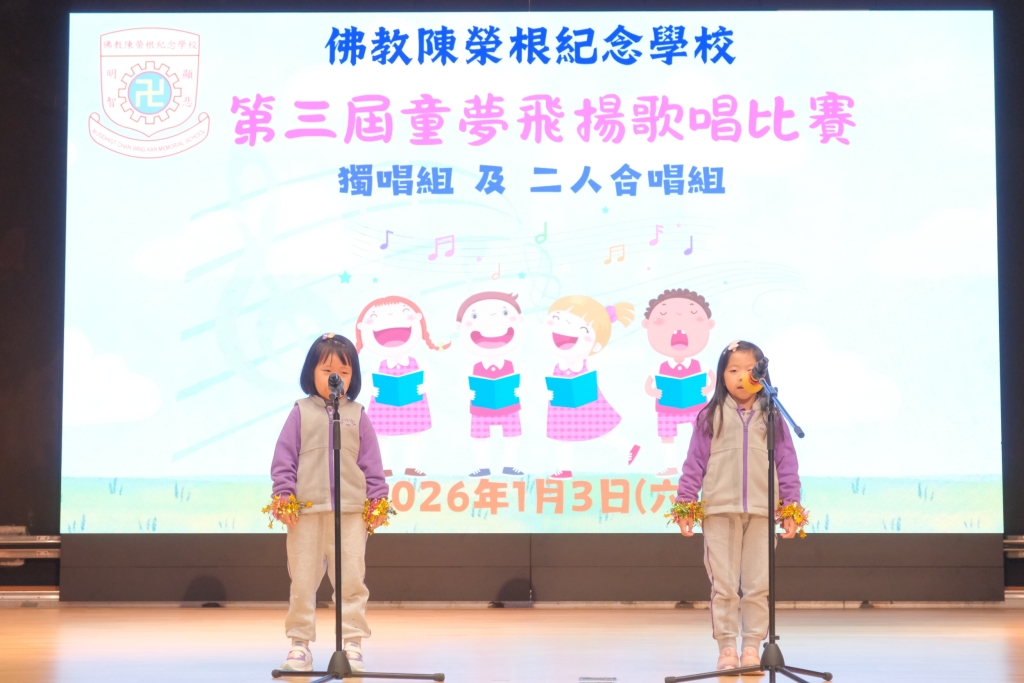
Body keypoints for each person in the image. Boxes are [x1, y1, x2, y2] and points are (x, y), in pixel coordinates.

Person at [673, 340, 803, 672]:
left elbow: (787, 464)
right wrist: (686, 502)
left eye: (749, 370)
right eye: (733, 370)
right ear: (721, 375)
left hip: (762, 512)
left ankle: (752, 647)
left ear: (762, 376)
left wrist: (791, 506)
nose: (742, 377)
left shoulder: (773, 416)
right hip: (719, 510)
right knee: (725, 586)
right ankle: (727, 647)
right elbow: (694, 463)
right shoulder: (710, 415)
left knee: (758, 586)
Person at [270, 333, 389, 673]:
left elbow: (372, 464)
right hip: (307, 514)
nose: (335, 377)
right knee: (303, 582)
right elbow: (284, 458)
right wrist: (283, 493)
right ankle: (300, 645)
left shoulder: (357, 414)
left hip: (350, 513)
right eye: (327, 370)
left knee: (351, 581)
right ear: (312, 372)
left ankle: (352, 644)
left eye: (344, 372)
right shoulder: (300, 412)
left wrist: (378, 499)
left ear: (353, 377)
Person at [544, 294, 641, 478]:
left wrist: (631, 353)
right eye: (557, 319)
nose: (565, 328)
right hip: (562, 405)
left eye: (582, 329)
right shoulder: (557, 365)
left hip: (587, 403)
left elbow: (611, 357)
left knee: (603, 432)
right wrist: (550, 394)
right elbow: (551, 384)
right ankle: (565, 470)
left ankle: (630, 447)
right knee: (562, 438)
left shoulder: (588, 361)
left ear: (595, 346)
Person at [355, 295, 449, 477]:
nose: (390, 317)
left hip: (413, 403)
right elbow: (365, 383)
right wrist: (372, 390)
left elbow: (430, 379)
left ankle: (411, 467)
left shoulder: (417, 362)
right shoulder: (379, 365)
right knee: (382, 437)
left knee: (415, 436)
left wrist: (423, 387)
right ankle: (385, 468)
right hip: (383, 405)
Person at [641, 288, 716, 477]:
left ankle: (704, 465)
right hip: (667, 407)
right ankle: (671, 467)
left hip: (695, 405)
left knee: (701, 434)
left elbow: (712, 377)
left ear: (709, 325)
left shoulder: (700, 364)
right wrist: (653, 392)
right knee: (667, 436)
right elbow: (648, 385)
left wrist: (708, 387)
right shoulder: (660, 367)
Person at [455, 291, 526, 477]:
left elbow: (523, 384)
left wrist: (520, 390)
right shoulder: (473, 367)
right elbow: (463, 386)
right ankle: (483, 467)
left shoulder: (513, 366)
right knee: (480, 437)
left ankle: (509, 466)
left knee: (512, 435)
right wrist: (468, 393)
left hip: (509, 405)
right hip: (480, 407)